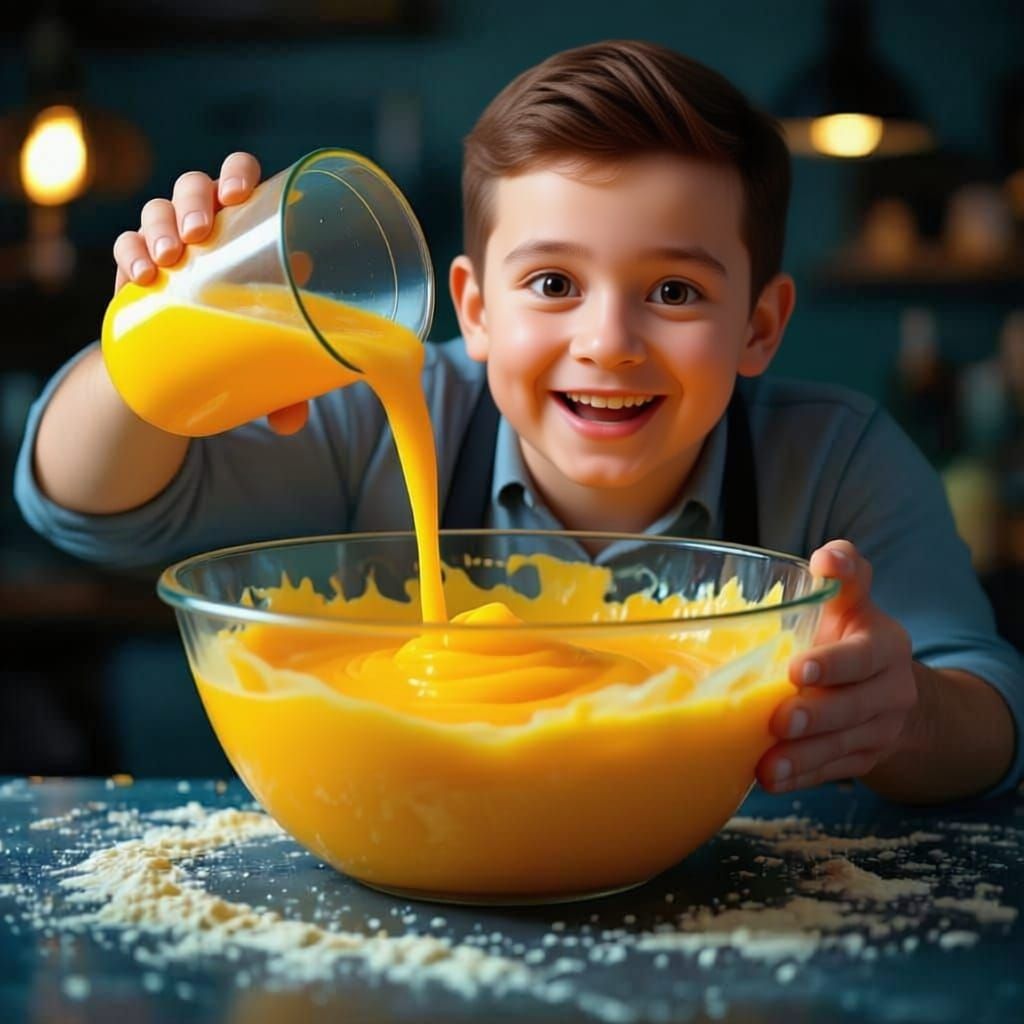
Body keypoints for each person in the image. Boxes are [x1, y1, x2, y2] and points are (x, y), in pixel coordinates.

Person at [15, 40, 1021, 805]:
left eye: (674, 291)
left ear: (759, 325)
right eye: (551, 283)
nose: (608, 342)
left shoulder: (837, 459)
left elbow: (993, 712)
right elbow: (88, 507)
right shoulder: (382, 413)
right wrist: (159, 330)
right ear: (474, 308)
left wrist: (905, 716)